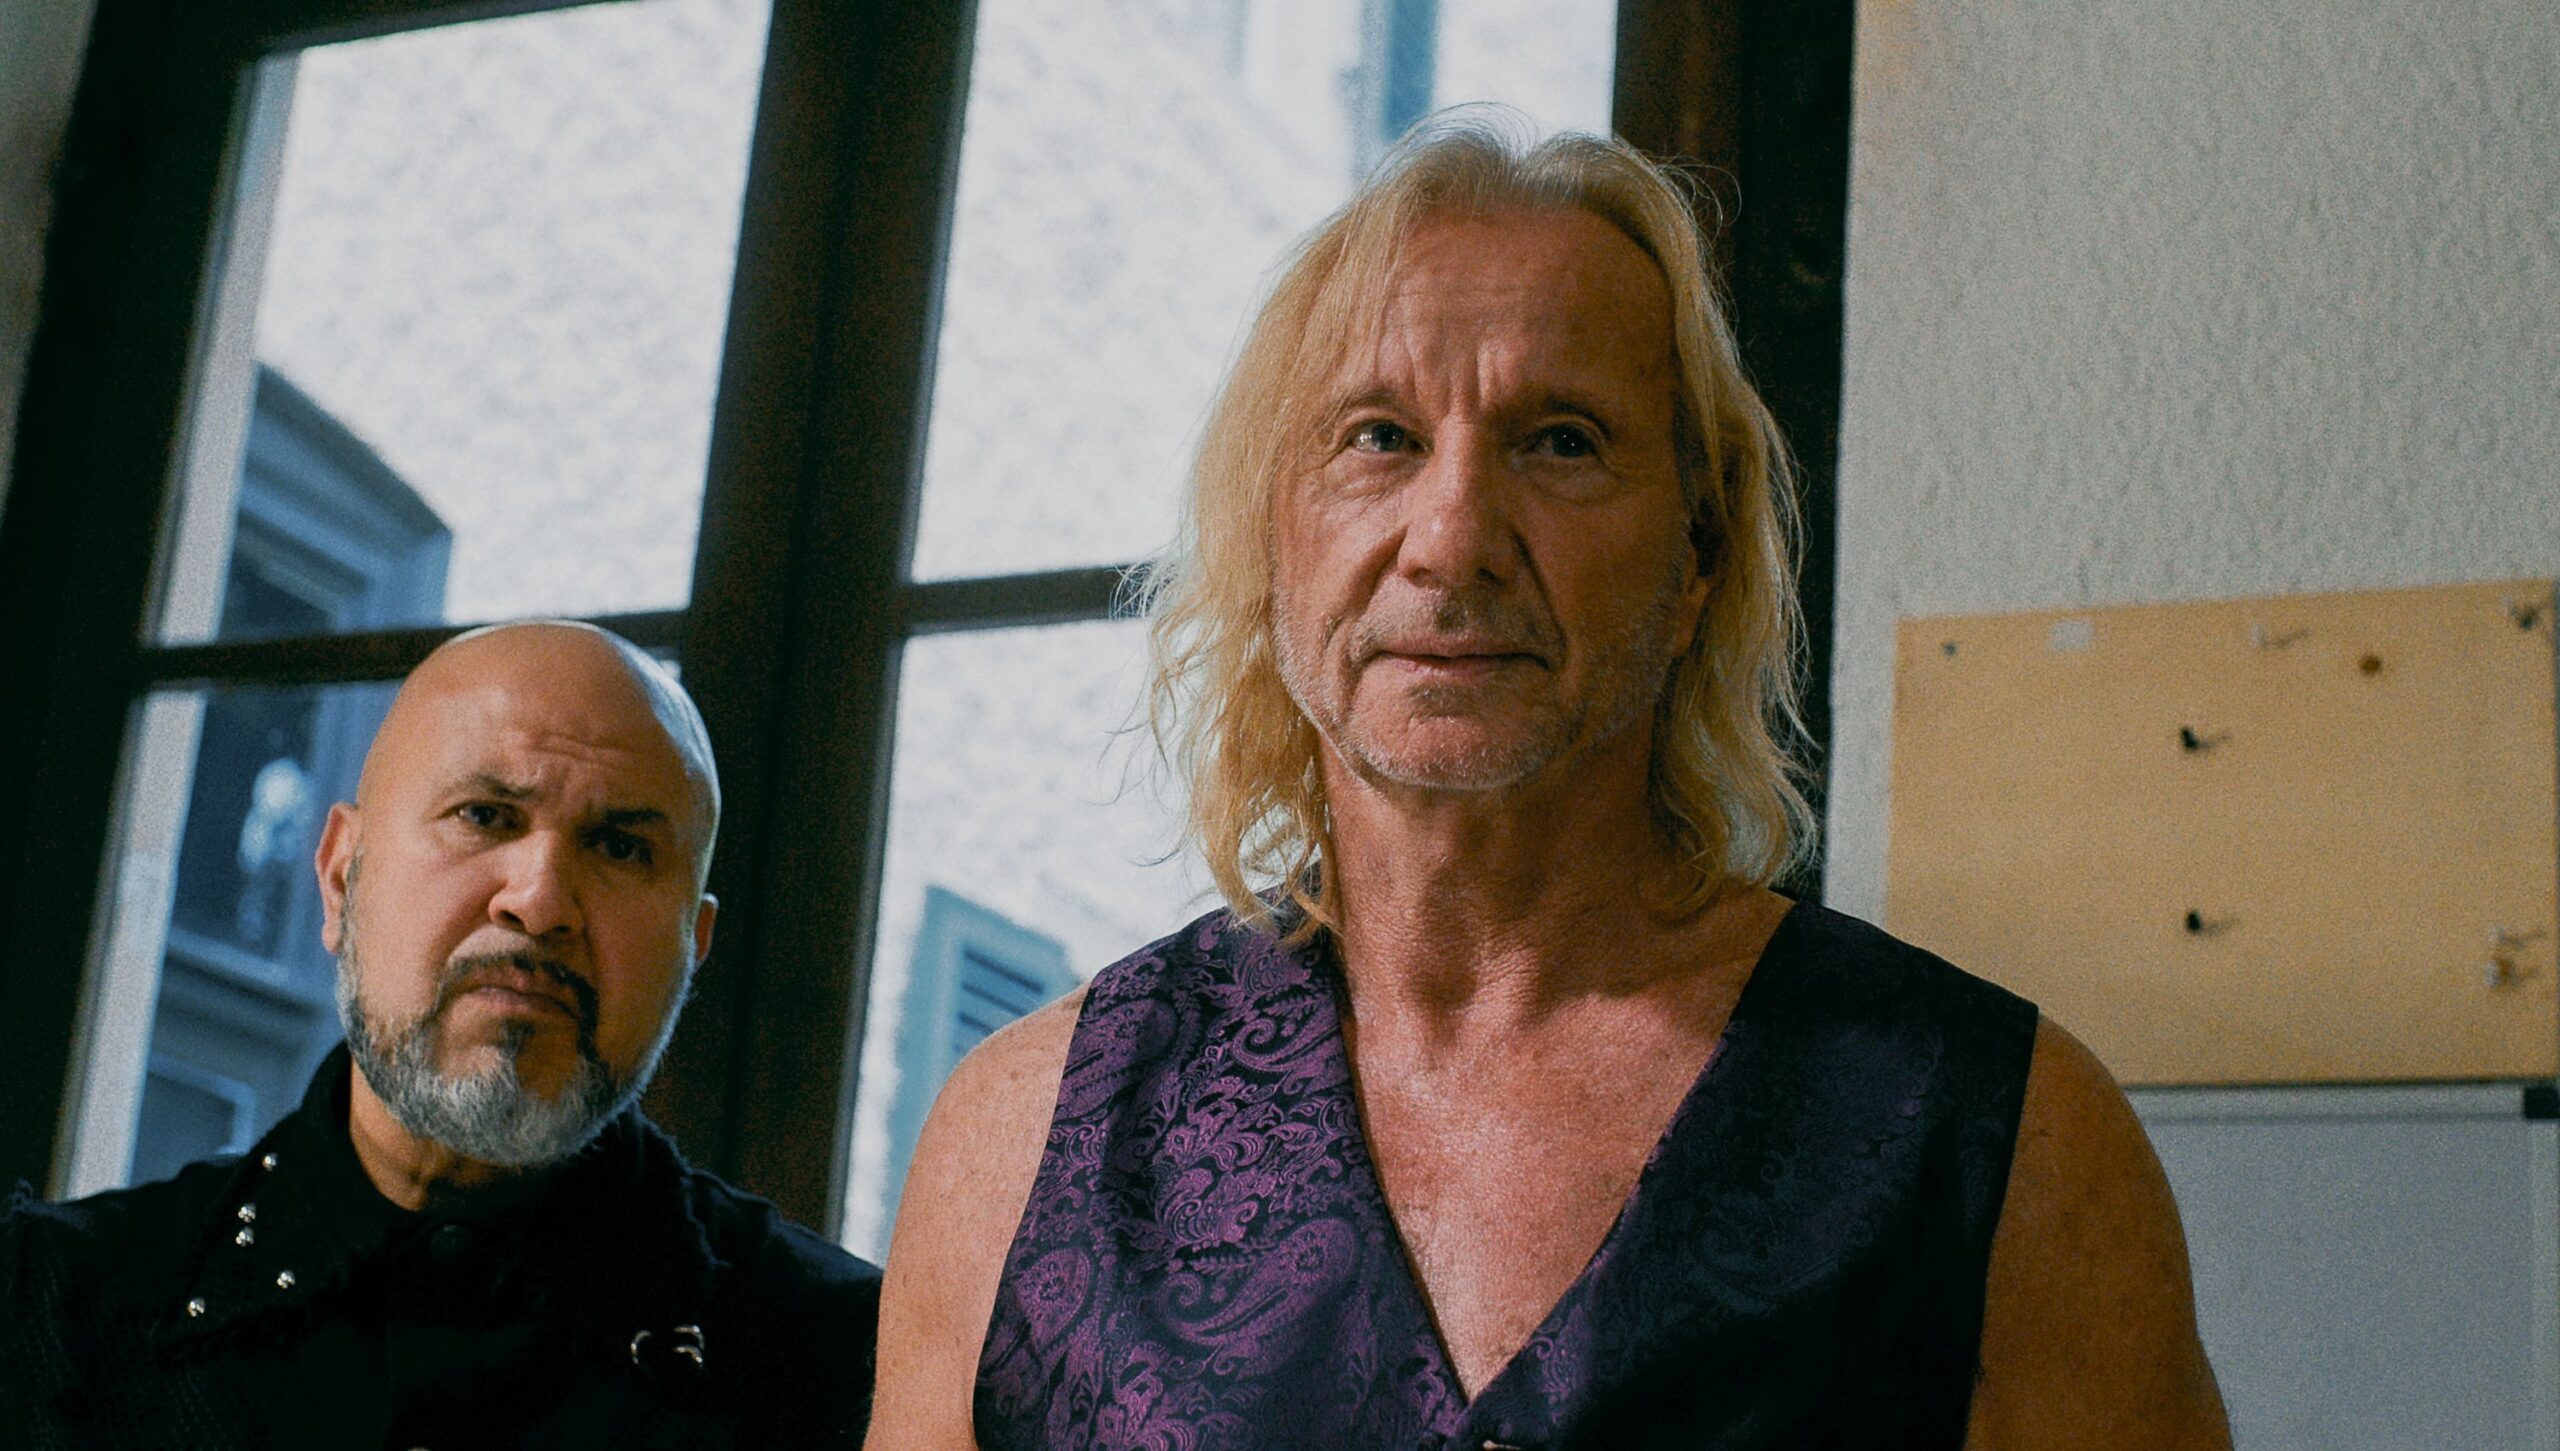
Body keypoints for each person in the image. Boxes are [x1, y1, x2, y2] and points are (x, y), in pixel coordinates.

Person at [869, 119, 2230, 1450]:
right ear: (1274, 538)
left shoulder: (2004, 1143)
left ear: (1698, 558)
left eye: (1563, 440)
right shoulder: (1018, 1143)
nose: (1452, 537)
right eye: (1378, 437)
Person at [1, 621, 881, 1449]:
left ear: (693, 947)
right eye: (485, 815)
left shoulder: (851, 1369)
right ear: (341, 879)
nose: (539, 900)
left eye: (619, 846)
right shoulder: (42, 1311)